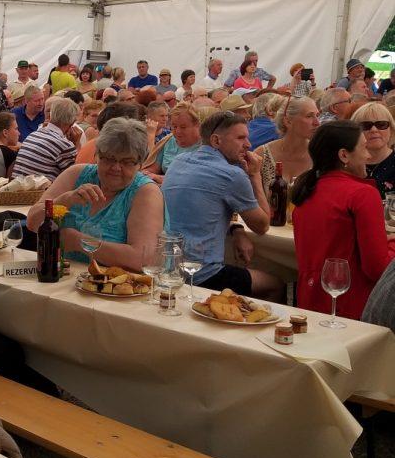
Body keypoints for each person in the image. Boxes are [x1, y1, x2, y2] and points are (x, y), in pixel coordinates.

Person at [162, 112, 281, 300]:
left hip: (166, 265)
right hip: (201, 274)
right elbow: (262, 225)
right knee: (275, 284)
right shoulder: (232, 174)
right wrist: (255, 175)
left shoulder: (178, 161)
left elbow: (202, 212)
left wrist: (236, 229)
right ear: (216, 141)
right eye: (240, 138)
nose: (248, 144)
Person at [26, 118, 164, 270]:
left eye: (127, 162)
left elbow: (143, 259)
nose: (116, 167)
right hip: (59, 277)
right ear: (97, 155)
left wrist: (80, 242)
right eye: (109, 159)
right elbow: (32, 222)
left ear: (140, 164)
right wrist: (65, 200)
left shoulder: (145, 192)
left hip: (114, 283)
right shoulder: (76, 174)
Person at [292, 122, 395, 319]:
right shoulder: (362, 194)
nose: (368, 156)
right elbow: (377, 268)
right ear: (344, 155)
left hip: (309, 303)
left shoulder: (307, 191)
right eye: (364, 148)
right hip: (352, 309)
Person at [12, 97, 79, 179]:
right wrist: (77, 144)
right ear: (72, 122)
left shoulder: (33, 135)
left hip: (18, 184)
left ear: (51, 115)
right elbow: (76, 176)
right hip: (38, 187)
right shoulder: (65, 145)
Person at [143, 103, 201, 184]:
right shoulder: (168, 141)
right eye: (174, 126)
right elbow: (153, 168)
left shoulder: (204, 146)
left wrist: (159, 178)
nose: (178, 131)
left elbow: (195, 178)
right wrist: (145, 174)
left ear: (197, 125)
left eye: (183, 127)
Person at [353, 102, 395, 197]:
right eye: (365, 126)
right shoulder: (348, 166)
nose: (374, 130)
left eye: (381, 124)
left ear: (391, 129)